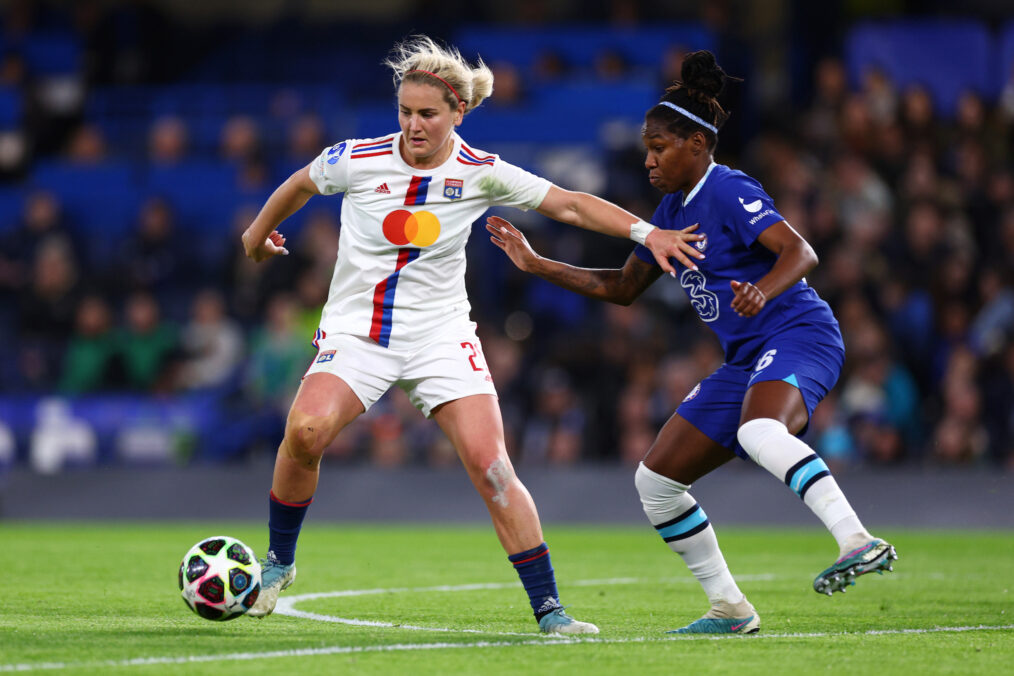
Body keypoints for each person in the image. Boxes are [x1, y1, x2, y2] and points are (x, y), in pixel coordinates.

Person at [239, 35, 702, 634]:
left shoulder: (481, 173)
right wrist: (257, 234)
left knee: (492, 469)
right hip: (359, 333)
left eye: (427, 113)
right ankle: (279, 563)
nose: (413, 125)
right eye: (405, 111)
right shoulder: (357, 158)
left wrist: (648, 234)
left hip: (440, 338)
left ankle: (551, 612)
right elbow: (299, 183)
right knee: (304, 432)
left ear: (458, 112)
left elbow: (571, 205)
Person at [487, 50, 897, 635]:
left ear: (697, 146)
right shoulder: (669, 211)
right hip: (746, 358)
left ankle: (857, 539)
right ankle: (730, 609)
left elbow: (800, 251)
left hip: (798, 332)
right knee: (655, 483)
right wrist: (537, 263)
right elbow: (626, 286)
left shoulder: (727, 189)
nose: (648, 158)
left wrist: (762, 288)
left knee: (760, 432)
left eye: (659, 147)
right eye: (646, 148)